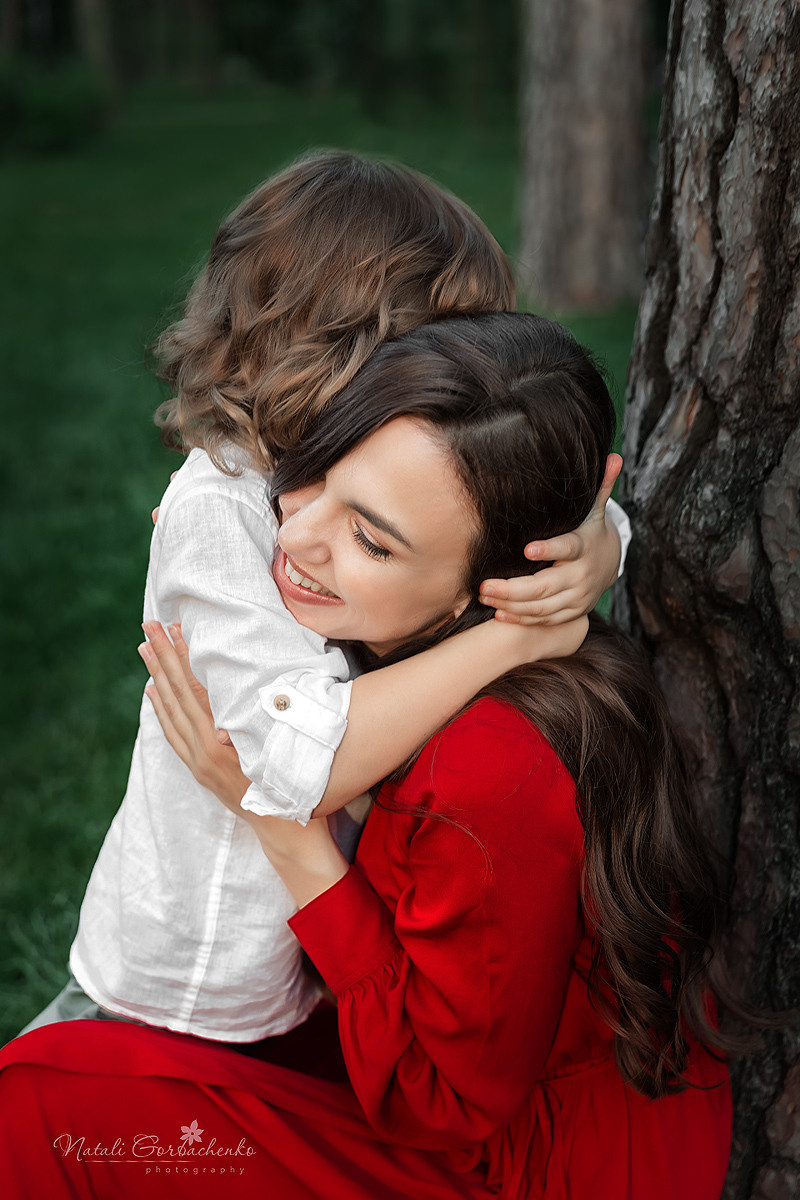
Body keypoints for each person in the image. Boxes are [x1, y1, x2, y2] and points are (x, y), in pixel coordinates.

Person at [0, 314, 732, 1199]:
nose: (298, 542)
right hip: (474, 1070)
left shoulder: (487, 766)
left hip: (516, 1166)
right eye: (312, 480)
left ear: (497, 585)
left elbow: (443, 1104)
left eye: (372, 541)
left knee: (39, 1104)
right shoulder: (416, 649)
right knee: (143, 1049)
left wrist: (288, 834)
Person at [21, 152, 629, 1042]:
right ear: (344, 351)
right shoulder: (215, 513)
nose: (450, 394)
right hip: (182, 988)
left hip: (307, 966)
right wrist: (515, 636)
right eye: (430, 357)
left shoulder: (361, 464)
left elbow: (519, 492)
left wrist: (602, 545)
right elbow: (298, 764)